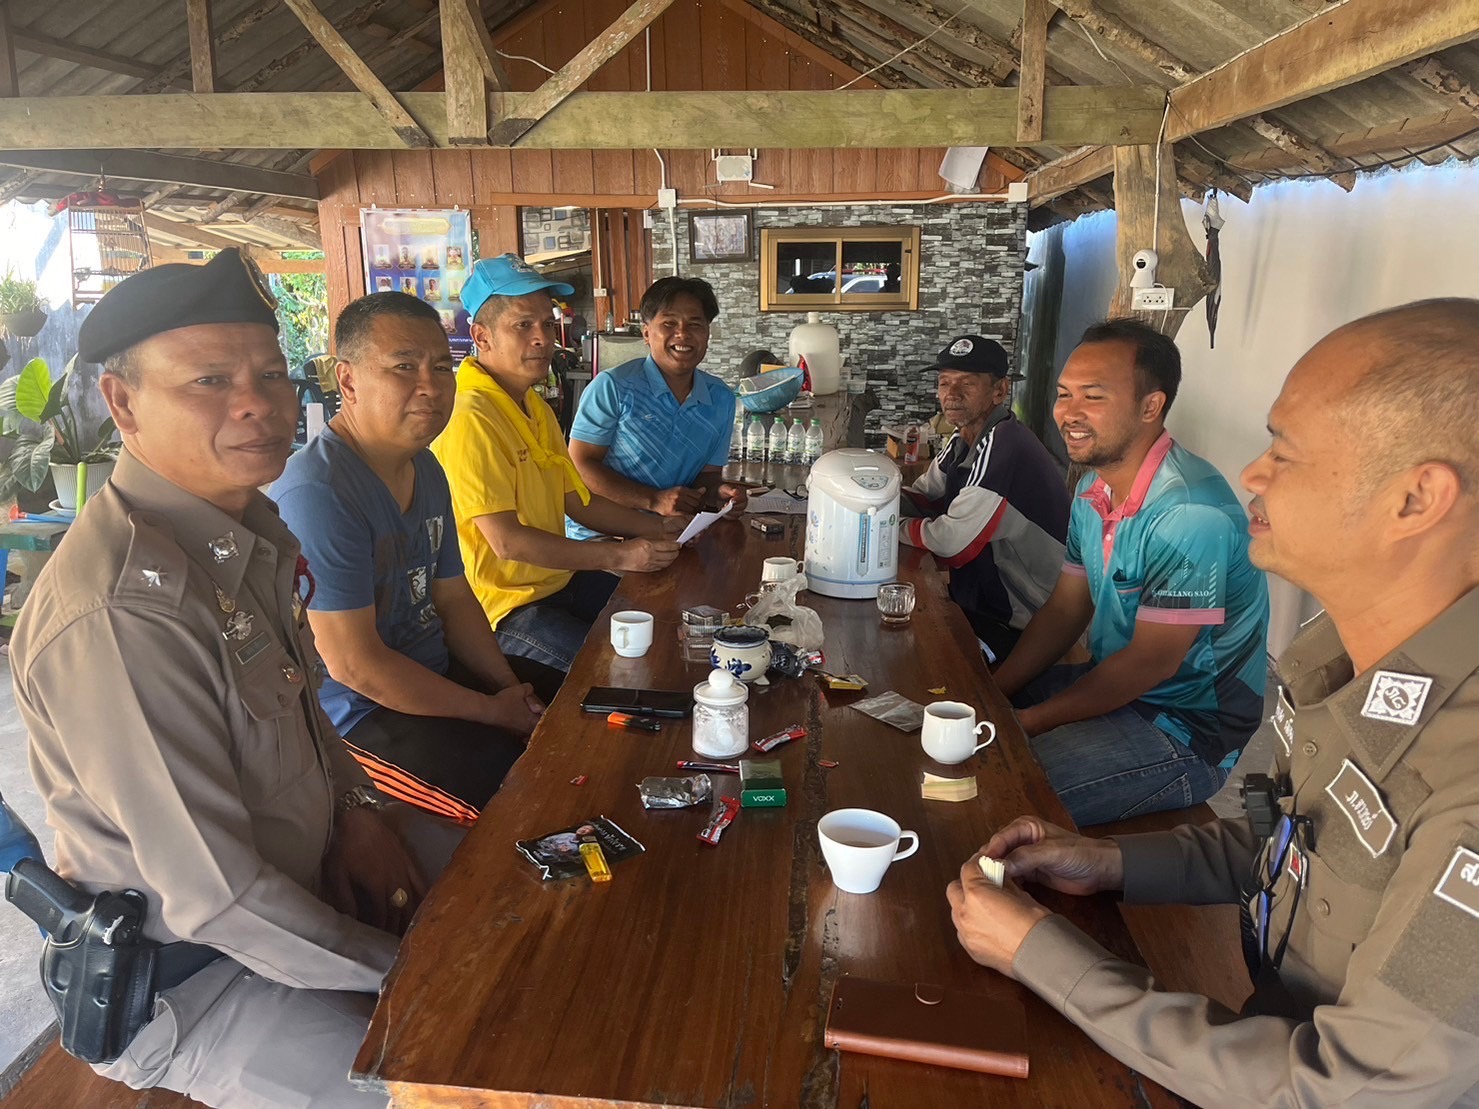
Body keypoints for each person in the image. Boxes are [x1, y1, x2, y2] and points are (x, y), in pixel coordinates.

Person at [948, 298, 1479, 1106]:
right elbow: (1297, 844)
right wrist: (1109, 862)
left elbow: (1344, 1090)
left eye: (1284, 451)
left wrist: (1041, 952)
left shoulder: (1463, 771)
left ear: (1415, 498)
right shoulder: (1342, 665)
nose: (1253, 475)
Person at [8, 249, 460, 1107]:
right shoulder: (123, 610)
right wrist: (413, 967)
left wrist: (356, 810)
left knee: (517, 885)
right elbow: (214, 898)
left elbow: (300, 706)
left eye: (270, 375)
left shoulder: (243, 529)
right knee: (447, 1085)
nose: (258, 403)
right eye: (210, 380)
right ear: (122, 402)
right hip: (194, 975)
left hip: (304, 878)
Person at [273, 292, 560, 824]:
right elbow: (356, 666)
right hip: (359, 717)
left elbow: (453, 598)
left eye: (442, 367)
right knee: (520, 804)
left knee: (574, 719)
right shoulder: (319, 491)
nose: (430, 386)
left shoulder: (425, 468)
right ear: (348, 382)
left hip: (436, 673)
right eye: (404, 367)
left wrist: (507, 692)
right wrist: (491, 712)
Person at [992, 319, 1269, 825]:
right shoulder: (1092, 491)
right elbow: (1066, 608)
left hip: (1186, 729)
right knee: (959, 720)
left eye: (1093, 396)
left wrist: (1026, 722)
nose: (1068, 412)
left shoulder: (1187, 511)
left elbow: (1150, 662)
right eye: (1064, 394)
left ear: (1150, 406)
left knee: (1001, 790)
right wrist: (994, 693)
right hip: (1118, 688)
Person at [431, 254, 683, 673]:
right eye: (522, 325)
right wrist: (617, 556)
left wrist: (660, 528)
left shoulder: (533, 406)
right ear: (481, 336)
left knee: (662, 625)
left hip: (558, 579)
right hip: (503, 609)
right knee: (616, 673)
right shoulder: (470, 415)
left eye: (547, 325)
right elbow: (507, 542)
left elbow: (577, 502)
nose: (542, 339)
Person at [900, 335, 1070, 661]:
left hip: (1028, 622)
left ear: (999, 391)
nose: (951, 393)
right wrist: (871, 497)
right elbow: (923, 497)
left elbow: (952, 542)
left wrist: (886, 525)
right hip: (986, 601)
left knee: (914, 656)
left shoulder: (1005, 444)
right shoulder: (963, 439)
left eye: (967, 383)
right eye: (944, 382)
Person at [566, 276, 748, 538]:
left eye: (695, 324)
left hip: (675, 533)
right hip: (600, 536)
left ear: (707, 334)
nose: (683, 333)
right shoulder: (612, 387)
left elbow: (707, 476)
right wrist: (653, 500)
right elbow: (579, 466)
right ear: (646, 333)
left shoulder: (720, 398)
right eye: (669, 323)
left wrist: (718, 495)